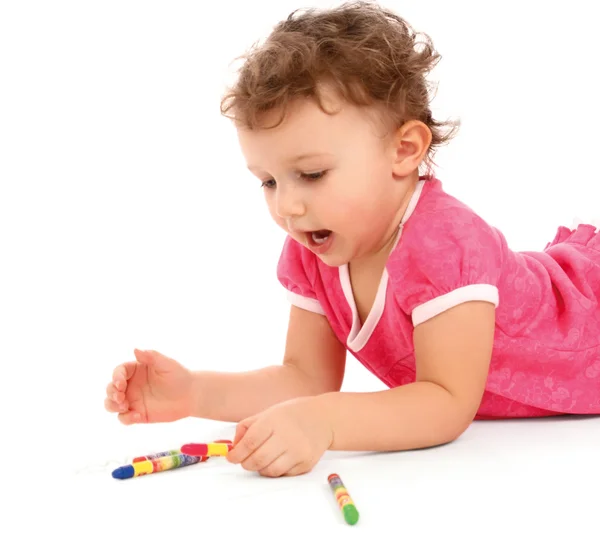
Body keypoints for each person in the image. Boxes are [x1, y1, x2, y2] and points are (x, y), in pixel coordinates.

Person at [104, 1, 600, 477]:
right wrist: (195, 393)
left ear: (404, 151)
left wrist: (326, 422)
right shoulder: (313, 251)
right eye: (269, 181)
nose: (287, 207)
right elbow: (304, 380)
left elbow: (446, 402)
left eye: (313, 174)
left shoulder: (447, 245)